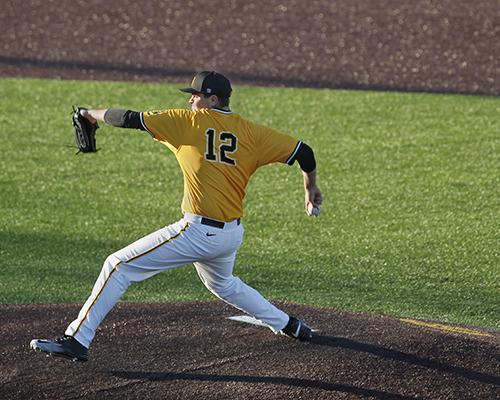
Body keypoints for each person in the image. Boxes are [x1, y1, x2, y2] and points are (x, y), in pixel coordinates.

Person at [30, 71, 323, 362]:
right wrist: (310, 189)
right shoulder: (253, 133)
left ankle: (77, 339)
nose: (192, 99)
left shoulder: (187, 122)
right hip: (230, 235)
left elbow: (129, 118)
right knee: (224, 285)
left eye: (196, 95)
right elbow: (304, 152)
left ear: (213, 99)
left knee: (117, 265)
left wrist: (89, 114)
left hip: (198, 233)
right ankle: (288, 324)